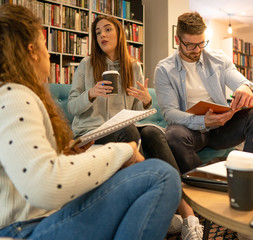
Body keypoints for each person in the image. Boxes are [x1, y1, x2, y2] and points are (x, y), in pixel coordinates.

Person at [0, 5, 181, 240]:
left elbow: (25, 167)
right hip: (17, 229)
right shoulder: (13, 96)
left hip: (30, 222)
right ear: (32, 51)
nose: (49, 55)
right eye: (45, 46)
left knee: (151, 142)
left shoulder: (7, 96)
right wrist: (122, 151)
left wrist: (66, 154)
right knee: (161, 175)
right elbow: (44, 185)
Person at [67, 15, 203, 240]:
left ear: (120, 34)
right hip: (90, 133)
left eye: (108, 29)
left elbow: (137, 112)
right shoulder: (86, 65)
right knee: (129, 132)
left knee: (150, 132)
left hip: (122, 127)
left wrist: (145, 100)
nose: (102, 34)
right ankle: (154, 208)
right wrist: (90, 94)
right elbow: (72, 106)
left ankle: (187, 215)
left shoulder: (133, 66)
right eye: (98, 31)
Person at [154, 12, 253, 177]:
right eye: (190, 45)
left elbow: (245, 84)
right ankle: (204, 181)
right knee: (172, 136)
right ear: (177, 40)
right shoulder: (164, 69)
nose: (197, 50)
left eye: (201, 43)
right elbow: (170, 113)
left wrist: (246, 88)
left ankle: (251, 178)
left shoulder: (218, 59)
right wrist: (202, 121)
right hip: (190, 131)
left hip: (220, 128)